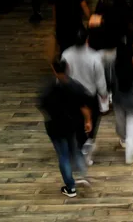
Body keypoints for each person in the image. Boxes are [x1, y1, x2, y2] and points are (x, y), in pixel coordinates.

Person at [38, 59, 92, 198]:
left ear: (54, 70)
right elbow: (84, 105)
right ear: (68, 68)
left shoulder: (50, 89)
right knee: (76, 150)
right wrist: (87, 121)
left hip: (55, 127)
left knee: (63, 155)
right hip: (72, 125)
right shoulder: (75, 86)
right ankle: (82, 175)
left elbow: (43, 106)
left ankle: (70, 187)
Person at [61, 30, 109, 163]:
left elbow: (62, 75)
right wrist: (103, 93)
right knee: (91, 121)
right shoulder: (94, 56)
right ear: (87, 39)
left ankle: (78, 147)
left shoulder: (66, 54)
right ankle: (86, 146)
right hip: (89, 95)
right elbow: (100, 78)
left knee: (75, 121)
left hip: (71, 94)